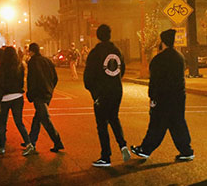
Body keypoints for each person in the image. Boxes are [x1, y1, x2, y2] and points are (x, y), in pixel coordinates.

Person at [130, 29, 195, 161]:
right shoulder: (179, 57)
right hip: (178, 96)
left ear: (163, 42)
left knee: (156, 124)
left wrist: (152, 97)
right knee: (178, 123)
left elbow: (155, 81)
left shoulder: (158, 59)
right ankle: (186, 150)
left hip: (163, 97)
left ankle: (145, 149)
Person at [83, 24, 131, 167]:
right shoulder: (117, 51)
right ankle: (122, 145)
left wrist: (94, 92)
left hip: (102, 93)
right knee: (114, 118)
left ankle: (106, 156)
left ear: (98, 36)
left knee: (102, 124)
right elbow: (122, 69)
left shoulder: (95, 53)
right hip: (116, 90)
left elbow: (88, 77)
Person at [0, 46, 36, 156]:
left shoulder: (1, 67)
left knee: (3, 123)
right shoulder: (20, 65)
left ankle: (2, 147)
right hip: (18, 96)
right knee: (19, 122)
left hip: (5, 97)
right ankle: (29, 144)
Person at [26, 43, 64, 152]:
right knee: (38, 117)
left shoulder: (33, 62)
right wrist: (51, 88)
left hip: (39, 94)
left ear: (31, 51)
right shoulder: (47, 61)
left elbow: (31, 79)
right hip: (47, 93)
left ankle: (57, 141)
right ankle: (31, 140)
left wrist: (30, 94)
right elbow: (55, 77)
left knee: (44, 119)